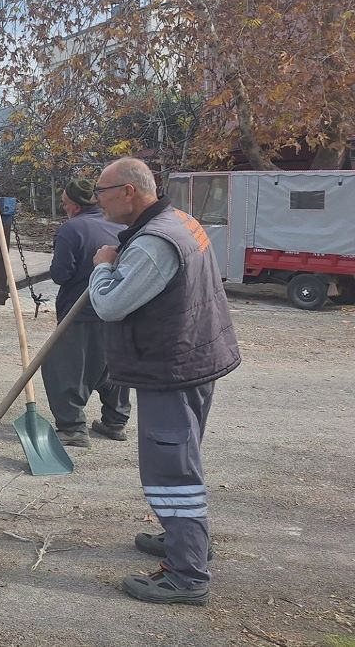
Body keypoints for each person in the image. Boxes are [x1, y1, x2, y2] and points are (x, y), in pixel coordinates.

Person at [89, 157, 240, 606]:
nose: (98, 200)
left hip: (171, 368)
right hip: (194, 357)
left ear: (130, 192)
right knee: (181, 458)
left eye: (102, 191)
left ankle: (187, 574)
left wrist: (102, 266)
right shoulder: (180, 221)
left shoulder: (155, 243)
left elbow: (111, 305)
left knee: (170, 470)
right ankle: (185, 539)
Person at [40, 177, 132, 448]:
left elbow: (60, 274)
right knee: (112, 367)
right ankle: (115, 422)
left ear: (75, 206)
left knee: (64, 369)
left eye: (66, 204)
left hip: (81, 312)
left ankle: (73, 428)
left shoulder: (72, 229)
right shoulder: (120, 225)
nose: (65, 208)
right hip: (117, 310)